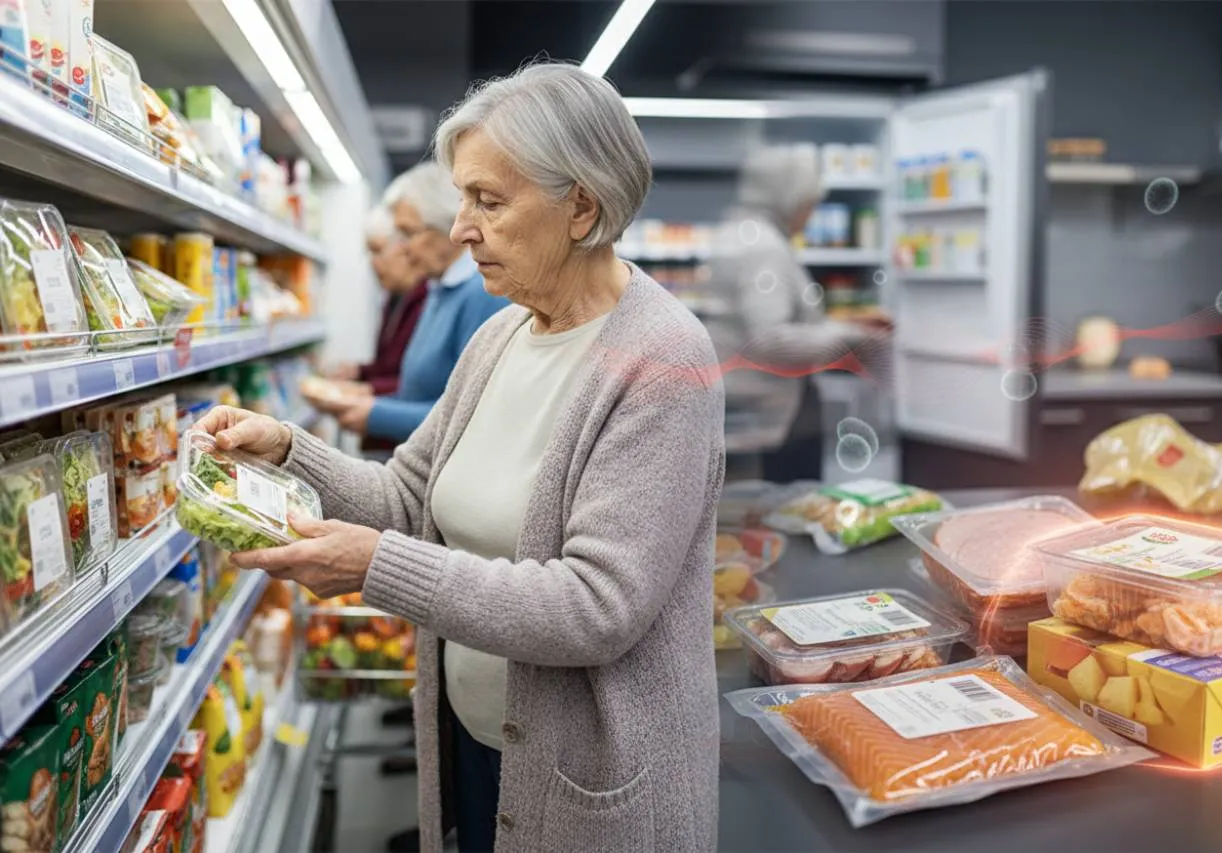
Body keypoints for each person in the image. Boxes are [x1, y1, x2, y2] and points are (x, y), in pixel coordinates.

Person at [195, 62, 723, 853]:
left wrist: (378, 568)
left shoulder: (664, 361)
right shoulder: (500, 334)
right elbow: (407, 500)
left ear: (581, 205)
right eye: (463, 198)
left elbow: (595, 607)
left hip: (587, 782)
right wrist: (287, 449)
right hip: (477, 744)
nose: (459, 230)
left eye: (488, 200)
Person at [700, 144, 891, 482]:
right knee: (776, 513)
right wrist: (855, 336)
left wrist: (838, 323)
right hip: (769, 417)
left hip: (742, 406)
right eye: (809, 204)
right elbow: (771, 340)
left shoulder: (738, 231)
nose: (811, 213)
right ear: (787, 197)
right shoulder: (764, 248)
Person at [316, 162, 508, 442]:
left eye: (408, 233)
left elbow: (473, 418)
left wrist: (376, 413)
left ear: (448, 227)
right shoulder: (438, 289)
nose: (401, 248)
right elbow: (419, 392)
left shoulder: (483, 294)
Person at [324, 205, 425, 397]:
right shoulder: (394, 297)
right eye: (369, 253)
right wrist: (359, 372)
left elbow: (425, 383)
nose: (373, 262)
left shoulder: (430, 300)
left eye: (378, 251)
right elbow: (389, 366)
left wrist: (367, 390)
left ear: (406, 248)